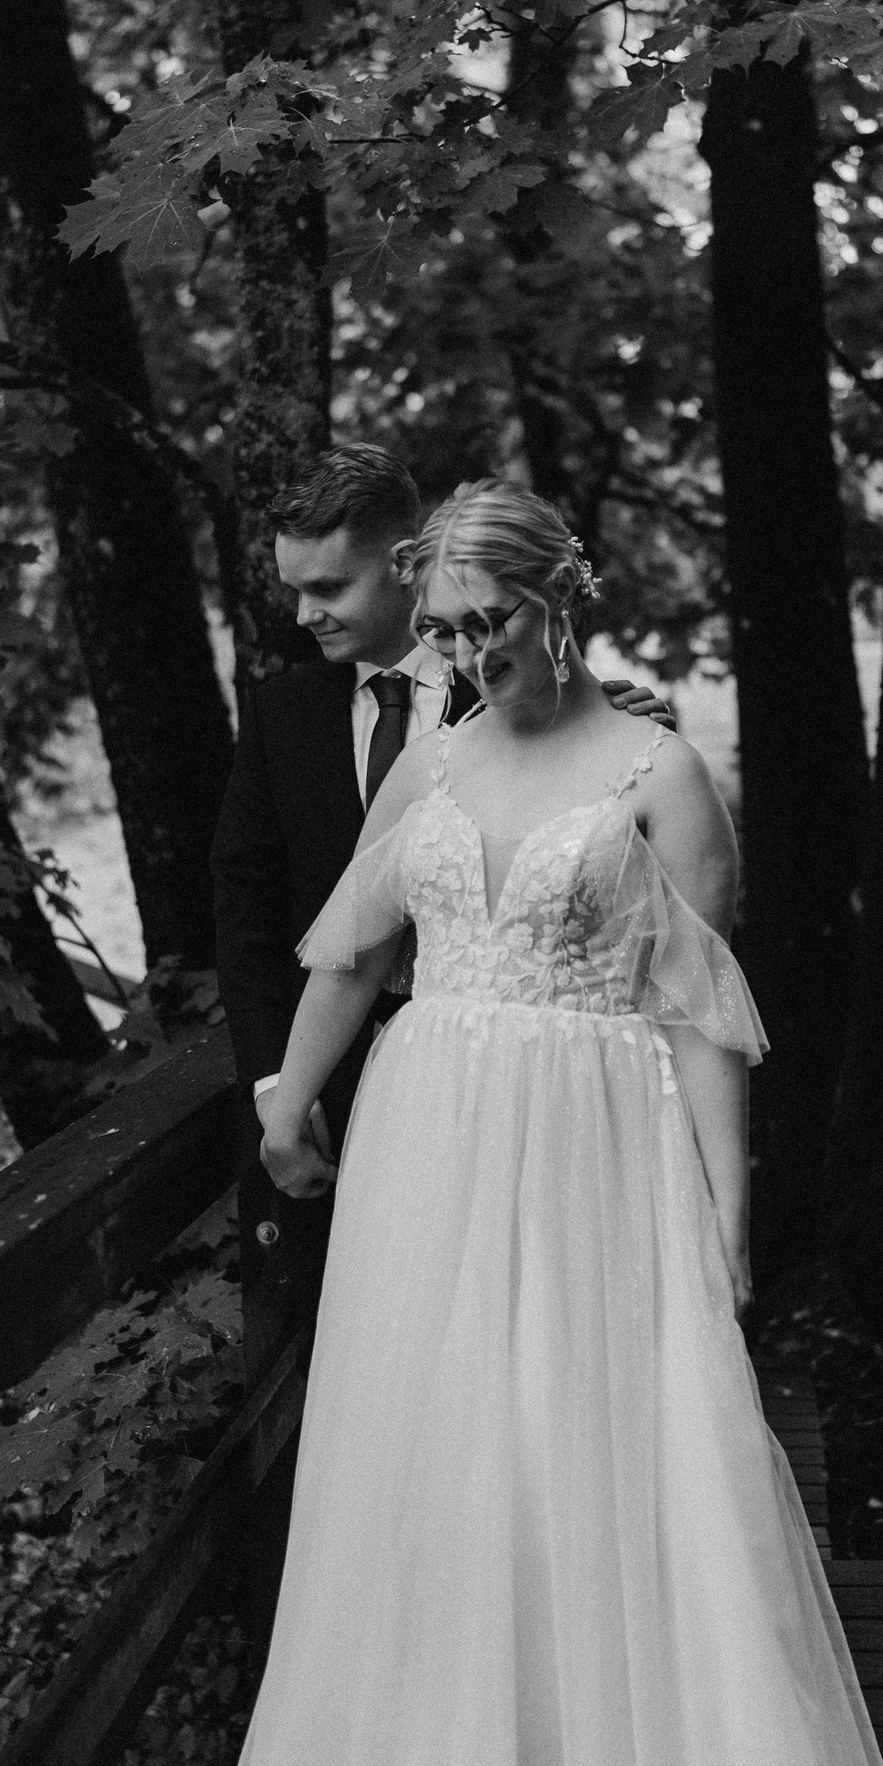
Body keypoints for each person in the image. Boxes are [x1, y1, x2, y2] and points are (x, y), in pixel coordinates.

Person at [206, 481, 883, 1766]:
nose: (469, 656)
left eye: (491, 624)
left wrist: (727, 1215)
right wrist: (288, 1103)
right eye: (444, 630)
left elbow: (703, 1017)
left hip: (598, 1145)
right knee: (447, 1471)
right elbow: (351, 950)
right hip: (431, 1150)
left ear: (558, 602)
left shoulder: (661, 776)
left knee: (594, 1464)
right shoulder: (434, 761)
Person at [211, 444, 669, 1390]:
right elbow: (246, 912)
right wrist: (277, 1088)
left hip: (526, 1088)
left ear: (402, 563)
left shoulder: (517, 681)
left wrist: (630, 743)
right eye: (294, 589)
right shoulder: (282, 713)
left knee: (530, 1341)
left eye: (328, 586)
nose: (304, 614)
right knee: (378, 1359)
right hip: (345, 1091)